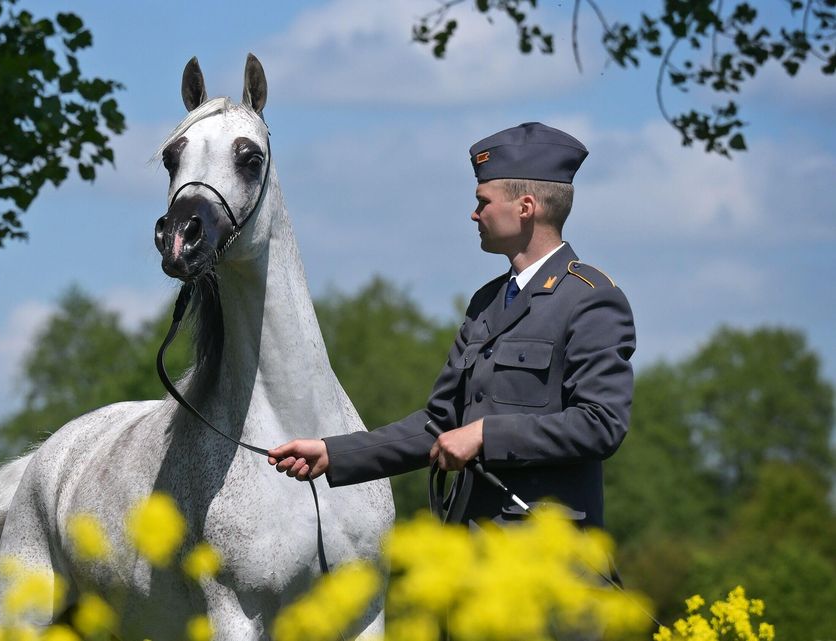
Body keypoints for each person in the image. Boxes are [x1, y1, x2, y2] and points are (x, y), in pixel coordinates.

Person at [268, 122, 635, 528]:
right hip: (467, 548)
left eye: (483, 201)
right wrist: (333, 453)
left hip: (545, 556)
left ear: (526, 208)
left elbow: (601, 423)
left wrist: (485, 436)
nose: (474, 213)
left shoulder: (589, 297)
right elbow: (440, 425)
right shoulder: (487, 302)